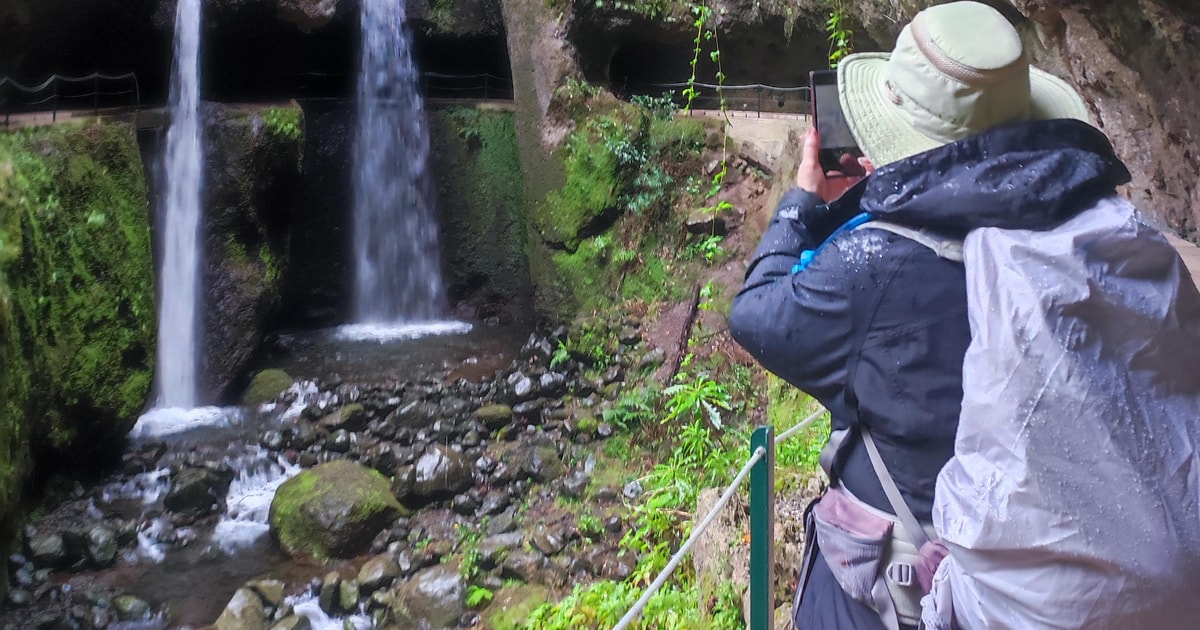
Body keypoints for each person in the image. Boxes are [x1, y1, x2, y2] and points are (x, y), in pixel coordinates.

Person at [729, 2, 1133, 628]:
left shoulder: (877, 266)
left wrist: (804, 207)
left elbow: (757, 313)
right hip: (1066, 564)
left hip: (904, 585)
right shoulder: (1089, 230)